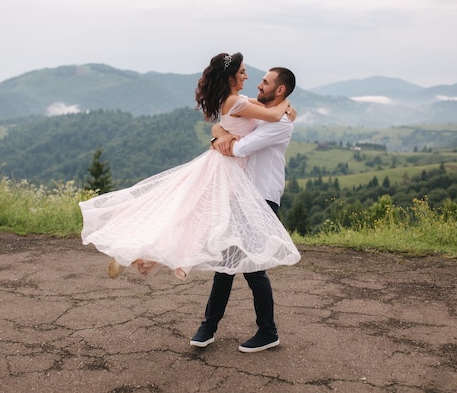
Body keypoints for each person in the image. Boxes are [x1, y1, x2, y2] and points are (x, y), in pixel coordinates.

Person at [79, 52, 300, 283]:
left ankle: (145, 257)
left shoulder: (238, 100)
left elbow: (229, 122)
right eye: (242, 72)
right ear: (230, 78)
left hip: (227, 167)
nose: (248, 76)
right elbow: (273, 115)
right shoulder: (237, 101)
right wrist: (286, 103)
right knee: (197, 219)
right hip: (227, 168)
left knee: (195, 217)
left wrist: (220, 133)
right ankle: (143, 254)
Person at [189, 63, 298, 353]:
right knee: (226, 265)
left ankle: (267, 331)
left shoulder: (280, 124)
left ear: (280, 90)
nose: (258, 85)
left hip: (262, 199)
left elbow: (238, 148)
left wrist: (224, 139)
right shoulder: (264, 114)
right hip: (242, 196)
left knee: (253, 269)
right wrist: (218, 134)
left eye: (264, 82)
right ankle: (208, 327)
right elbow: (226, 122)